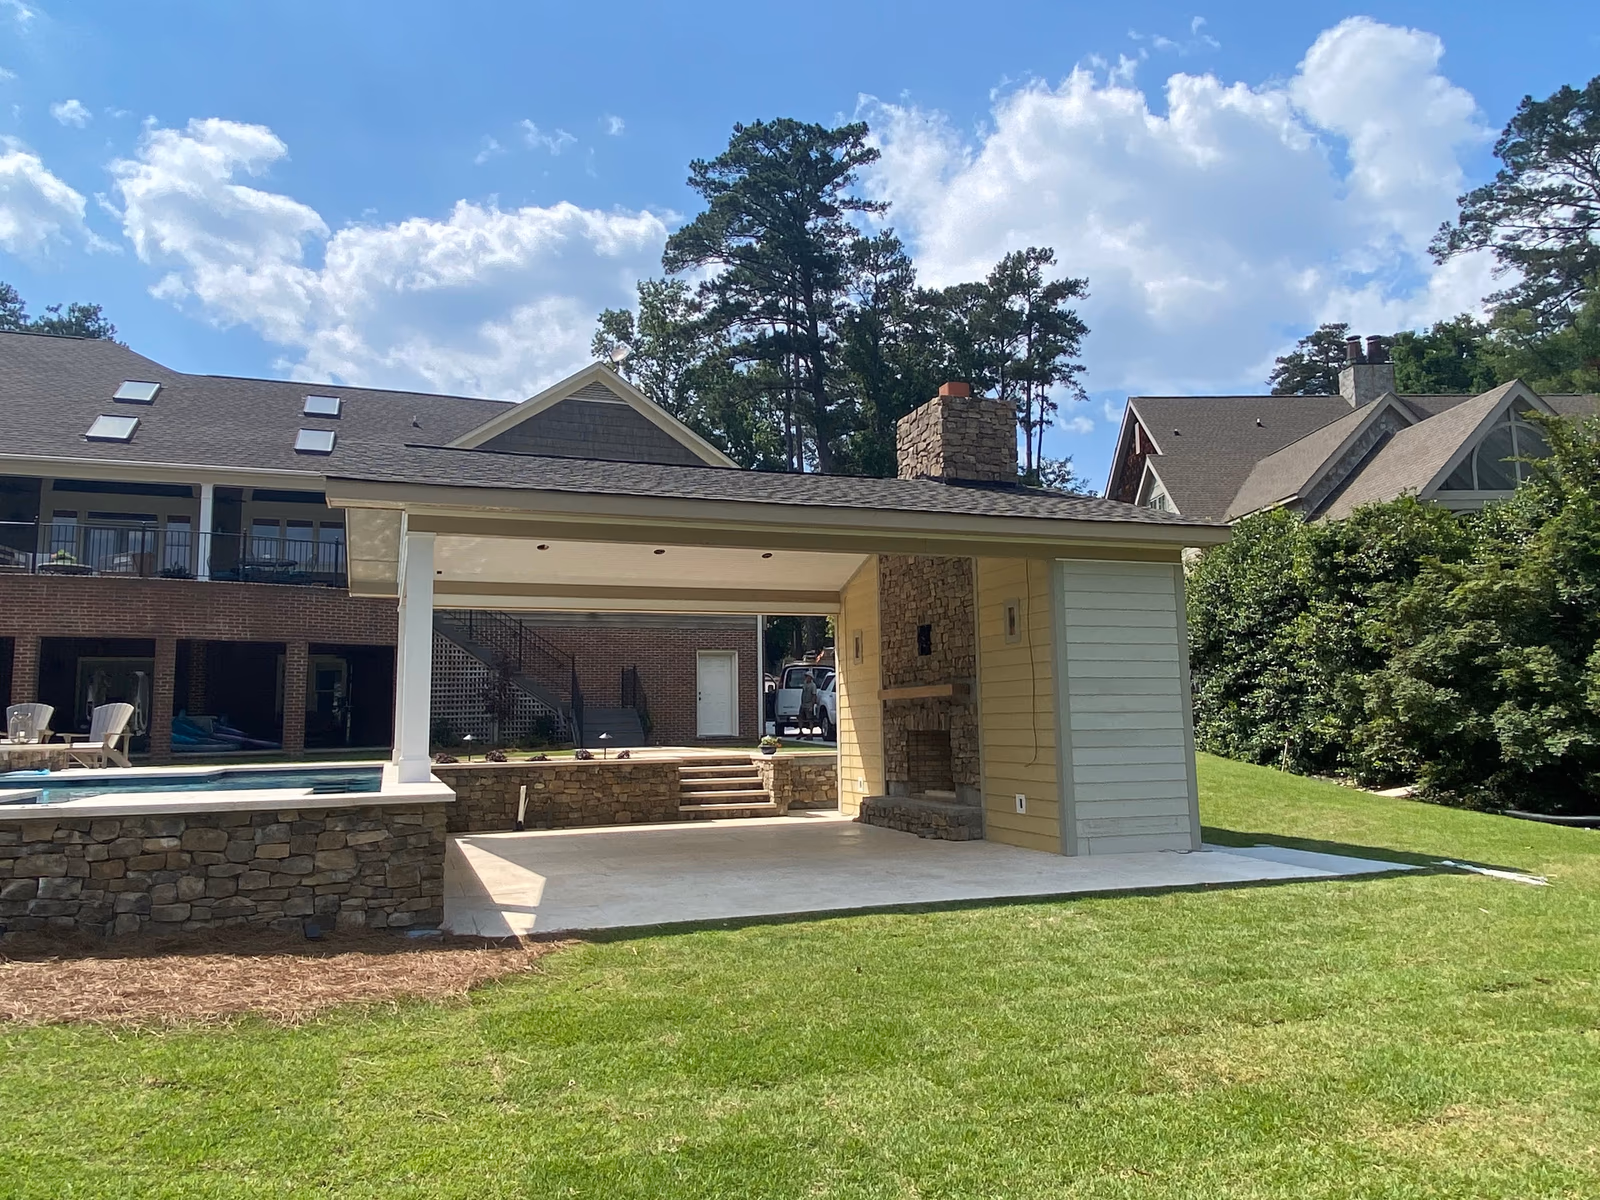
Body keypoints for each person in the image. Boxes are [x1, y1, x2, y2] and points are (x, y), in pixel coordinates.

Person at [798, 671, 818, 739]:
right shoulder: (804, 684)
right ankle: (800, 732)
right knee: (800, 718)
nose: (806, 677)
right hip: (803, 704)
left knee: (810, 719)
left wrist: (812, 706)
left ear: (810, 677)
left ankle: (811, 734)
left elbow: (814, 696)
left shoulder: (813, 685)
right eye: (806, 676)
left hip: (809, 704)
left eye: (807, 676)